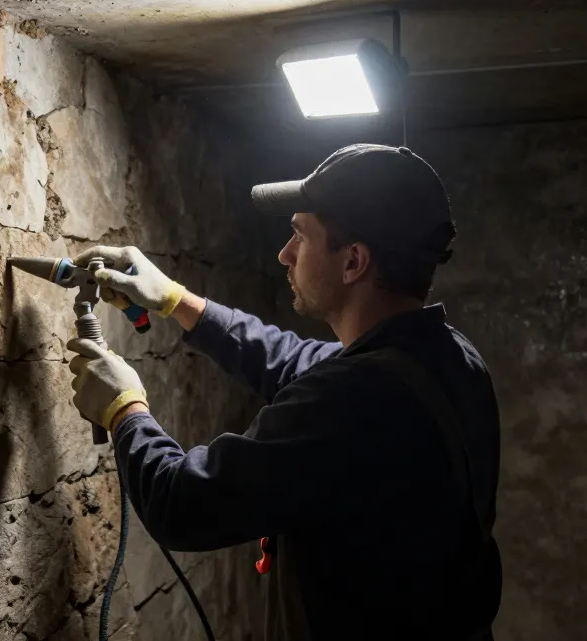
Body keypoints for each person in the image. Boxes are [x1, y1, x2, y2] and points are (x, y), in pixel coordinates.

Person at [68, 144, 501, 640]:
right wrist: (175, 300)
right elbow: (291, 360)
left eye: (300, 235)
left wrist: (124, 408)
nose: (284, 254)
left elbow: (182, 504)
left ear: (353, 261)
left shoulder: (353, 400)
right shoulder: (446, 355)